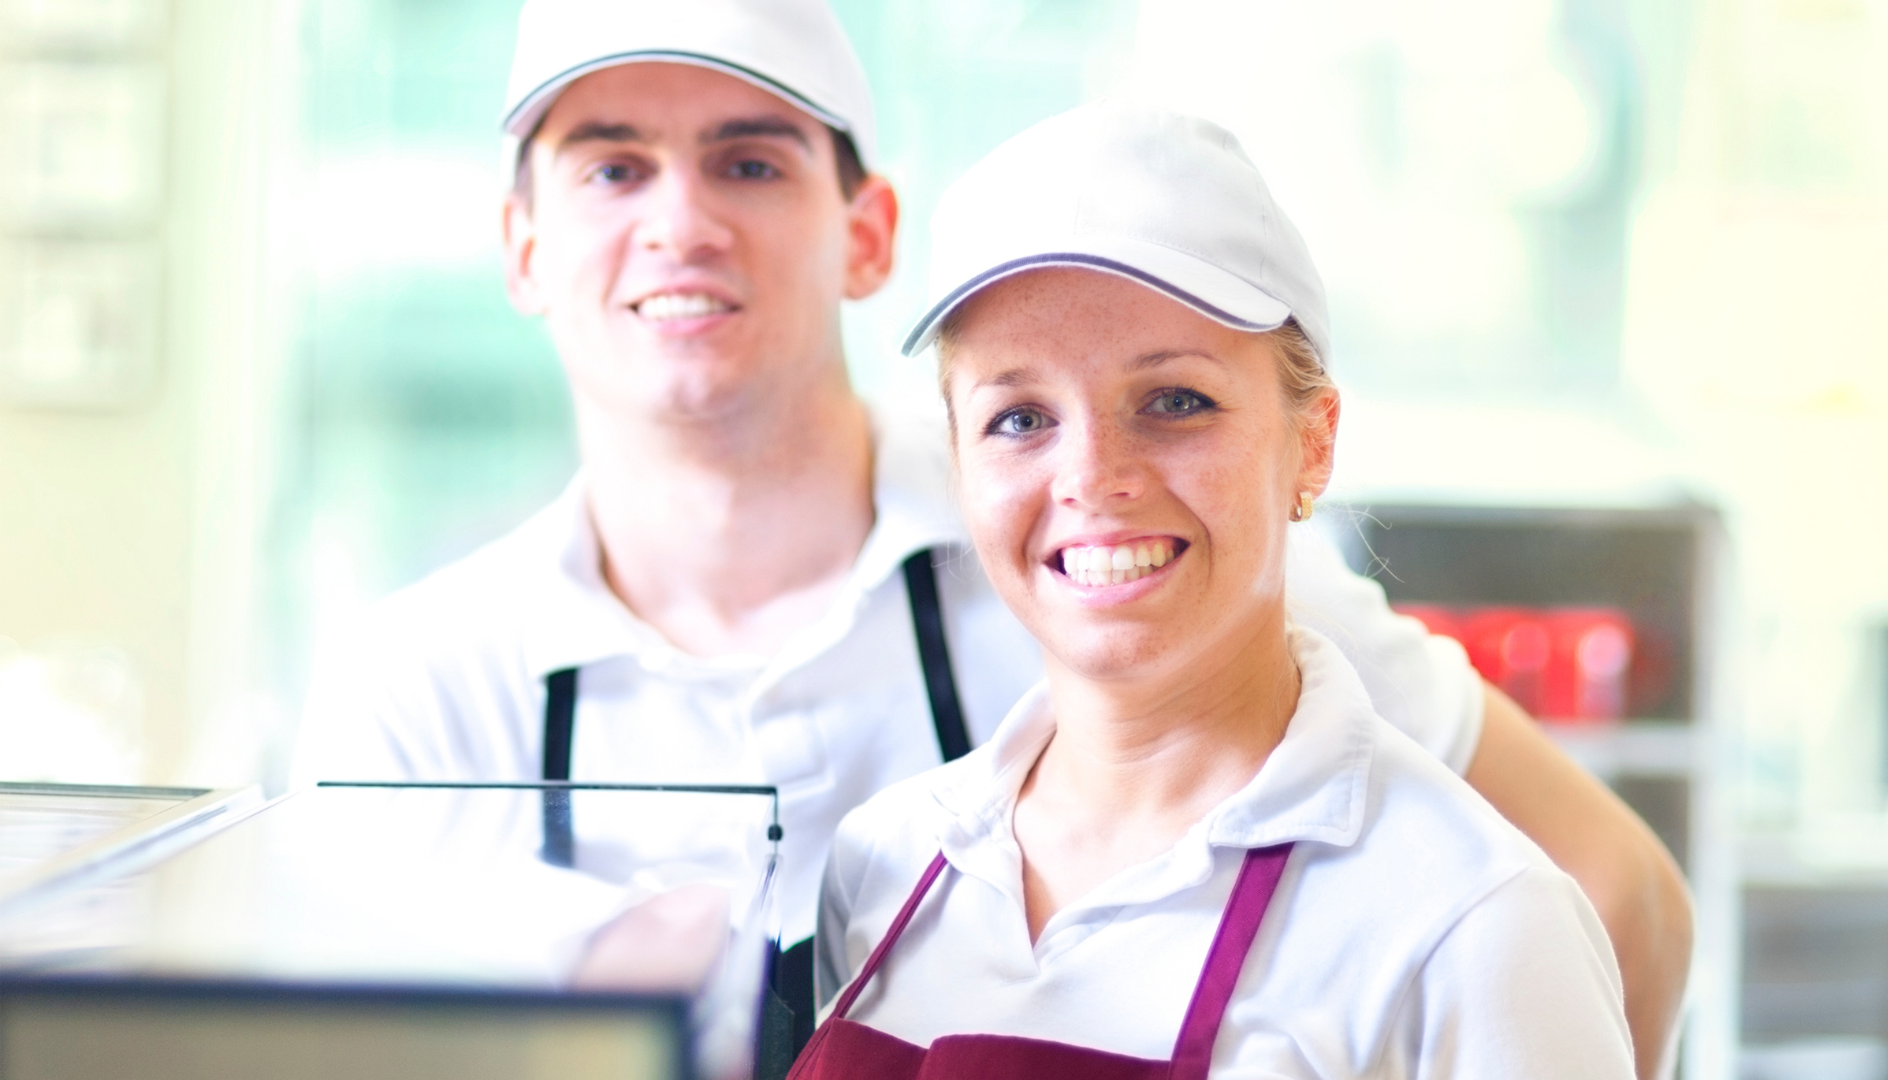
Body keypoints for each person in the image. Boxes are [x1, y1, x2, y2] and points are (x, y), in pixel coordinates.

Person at [289, 0, 1688, 1073]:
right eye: (611, 169)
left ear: (866, 232)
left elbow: (1608, 885)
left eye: (750, 161)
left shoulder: (1163, 578)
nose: (683, 224)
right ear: (520, 244)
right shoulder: (415, 695)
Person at [806, 102, 1636, 1079]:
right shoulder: (888, 864)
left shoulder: (1468, 926)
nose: (1092, 476)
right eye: (1021, 416)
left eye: (1175, 402)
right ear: (956, 461)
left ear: (1312, 443)